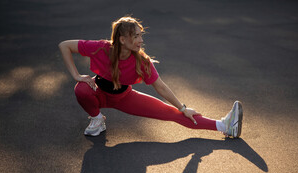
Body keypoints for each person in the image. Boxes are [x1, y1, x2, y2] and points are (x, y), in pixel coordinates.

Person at [58, 16, 243, 138]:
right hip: (99, 93)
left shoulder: (142, 62)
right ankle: (97, 119)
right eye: (136, 36)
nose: (141, 40)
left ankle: (226, 126)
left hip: (125, 98)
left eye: (141, 35)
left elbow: (160, 86)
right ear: (122, 39)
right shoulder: (101, 47)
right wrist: (77, 75)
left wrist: (183, 107)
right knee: (81, 89)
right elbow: (64, 45)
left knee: (175, 114)